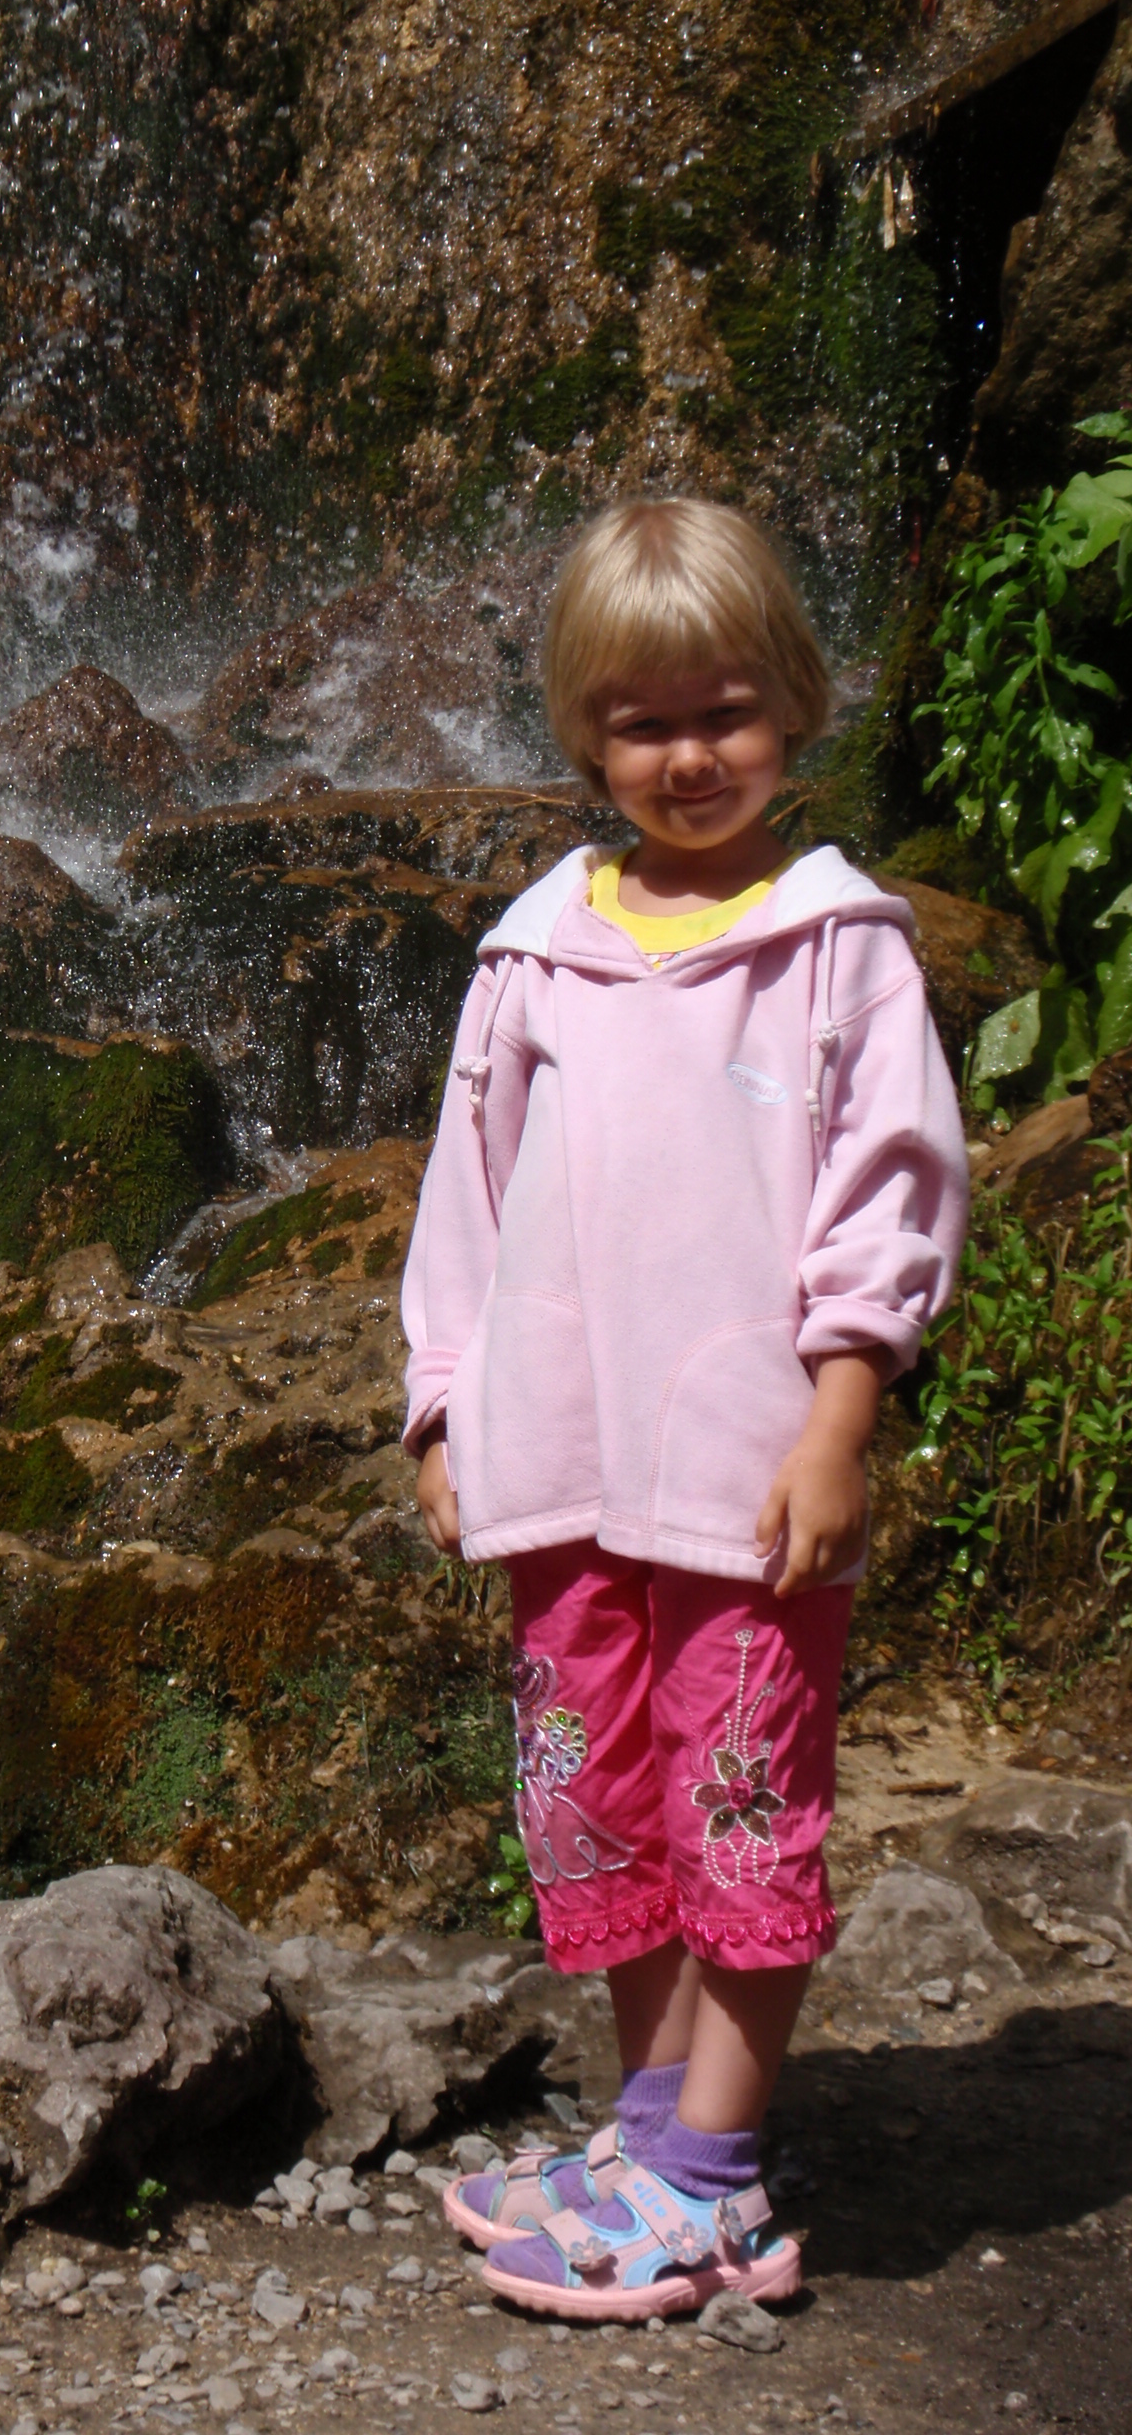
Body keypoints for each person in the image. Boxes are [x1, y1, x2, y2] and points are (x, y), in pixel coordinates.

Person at [402, 499, 968, 2322]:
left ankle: (712, 2182)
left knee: (740, 1803)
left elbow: (885, 1200)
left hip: (744, 1477)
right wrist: (441, 1402)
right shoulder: (535, 951)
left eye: (723, 713)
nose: (689, 757)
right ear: (587, 735)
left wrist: (838, 1422)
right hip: (560, 1456)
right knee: (597, 1799)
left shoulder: (838, 945)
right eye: (642, 724)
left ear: (794, 702)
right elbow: (469, 1197)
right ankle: (652, 2127)